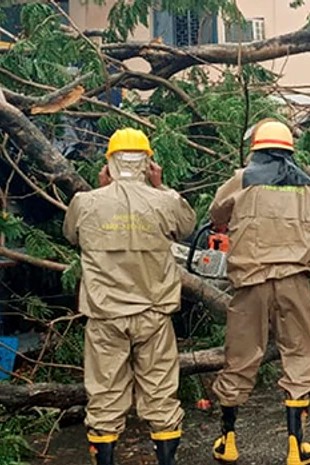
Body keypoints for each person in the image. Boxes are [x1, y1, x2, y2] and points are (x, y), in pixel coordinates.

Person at [63, 127, 197, 465]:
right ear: (149, 164)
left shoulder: (85, 203)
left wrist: (102, 189)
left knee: (104, 399)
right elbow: (187, 225)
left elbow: (71, 234)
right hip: (154, 315)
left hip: (105, 317)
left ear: (107, 166)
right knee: (162, 398)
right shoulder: (166, 201)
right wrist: (160, 185)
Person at [208, 120, 310, 465]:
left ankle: (227, 441)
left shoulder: (243, 177)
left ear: (256, 148)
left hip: (251, 281)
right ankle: (295, 447)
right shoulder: (307, 185)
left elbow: (217, 213)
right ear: (289, 149)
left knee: (240, 357)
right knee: (301, 355)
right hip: (295, 281)